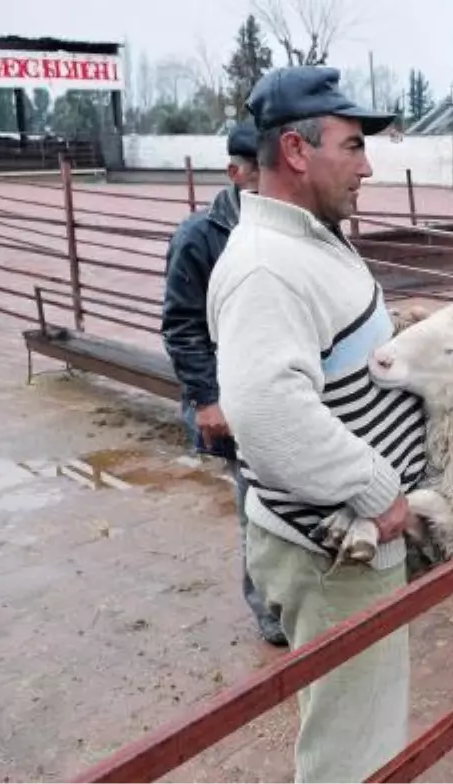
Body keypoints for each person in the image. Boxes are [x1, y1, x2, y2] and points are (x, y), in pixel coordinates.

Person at [207, 66, 426, 784]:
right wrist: (375, 489)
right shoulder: (268, 267)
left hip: (345, 543)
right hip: (333, 550)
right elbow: (267, 411)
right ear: (298, 152)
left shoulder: (310, 239)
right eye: (354, 145)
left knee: (359, 721)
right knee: (352, 750)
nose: (367, 166)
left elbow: (326, 358)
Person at [161, 120, 286, 647]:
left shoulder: (286, 224)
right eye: (262, 174)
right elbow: (182, 324)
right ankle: (270, 611)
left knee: (289, 498)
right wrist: (207, 400)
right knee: (254, 504)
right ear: (236, 172)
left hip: (283, 387)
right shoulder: (201, 237)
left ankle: (297, 593)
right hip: (235, 396)